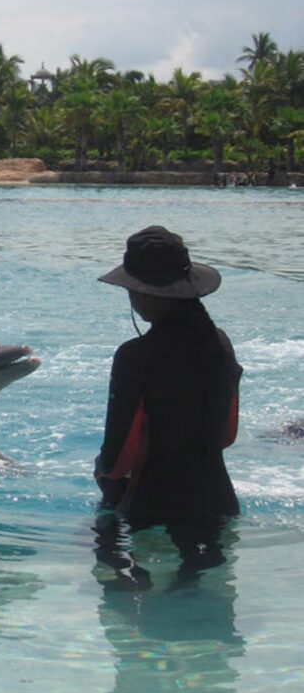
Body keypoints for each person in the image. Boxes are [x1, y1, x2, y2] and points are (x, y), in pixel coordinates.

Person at [94, 225, 241, 581]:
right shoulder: (219, 344)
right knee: (209, 602)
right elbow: (226, 433)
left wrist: (106, 481)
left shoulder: (136, 355)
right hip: (217, 498)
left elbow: (116, 460)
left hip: (152, 503)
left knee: (125, 597)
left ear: (142, 293)